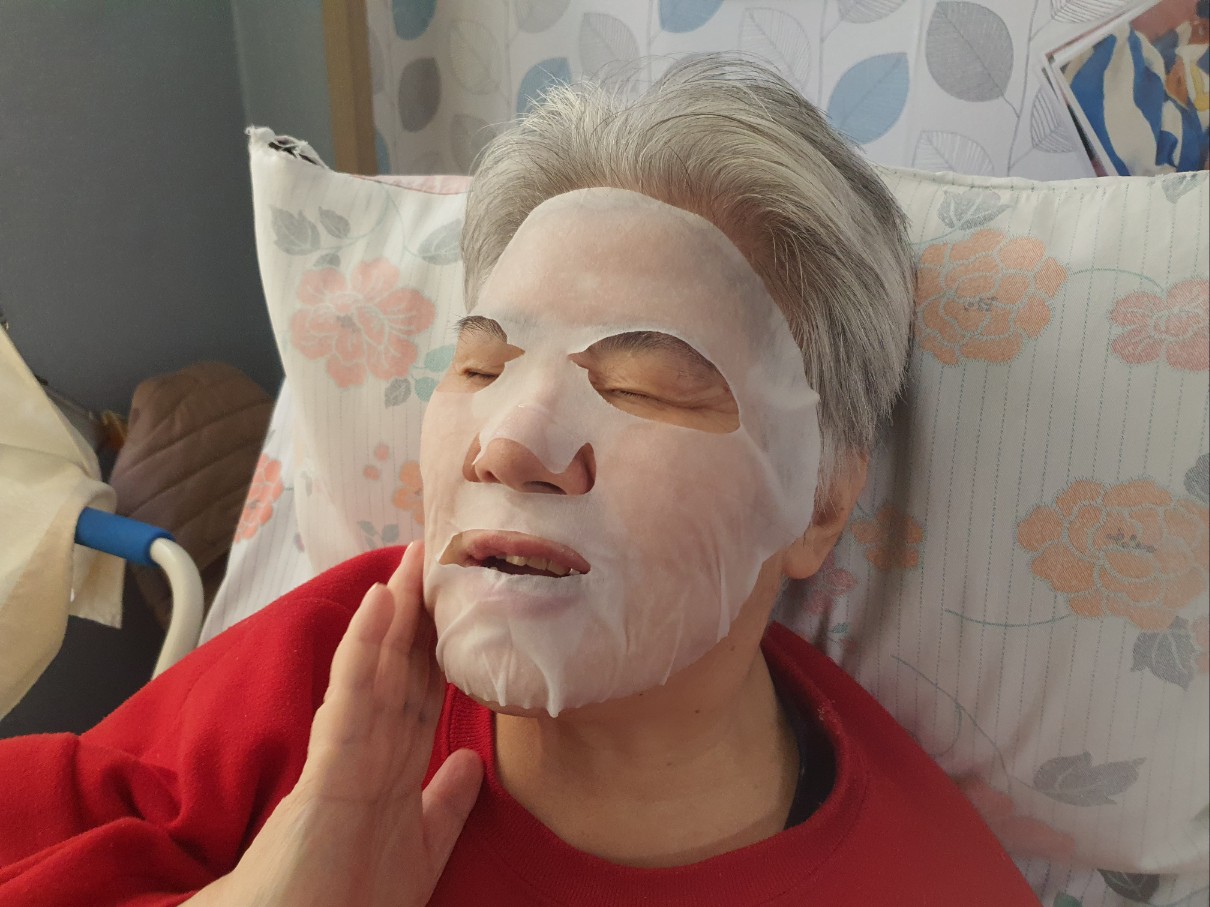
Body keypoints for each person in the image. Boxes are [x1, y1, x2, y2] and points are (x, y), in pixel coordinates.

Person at [0, 56, 1039, 905]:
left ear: (819, 500)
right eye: (481, 367)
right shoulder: (336, 661)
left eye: (641, 387)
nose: (506, 442)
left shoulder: (931, 882)